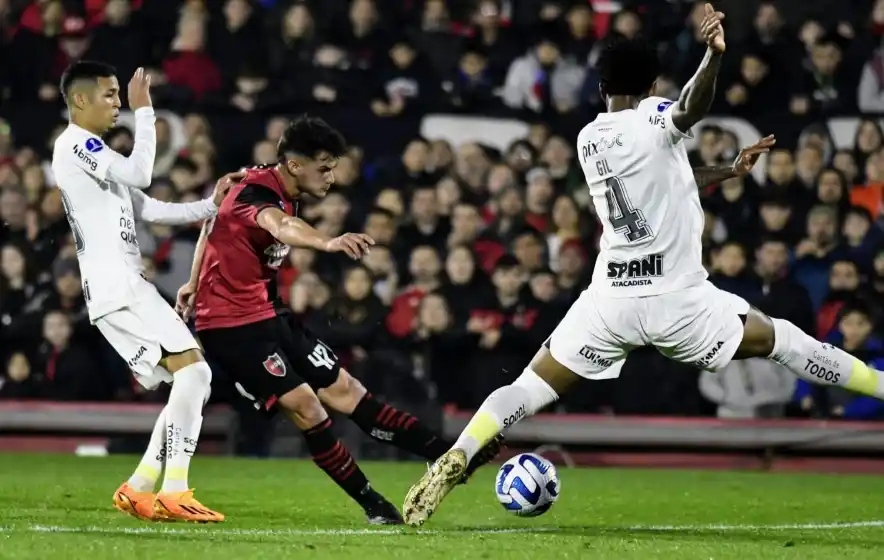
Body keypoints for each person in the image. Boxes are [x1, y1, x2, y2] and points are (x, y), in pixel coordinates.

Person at [402, 4, 884, 527]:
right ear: (652, 84)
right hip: (679, 301)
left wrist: (728, 168)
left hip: (610, 301)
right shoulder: (655, 116)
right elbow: (688, 111)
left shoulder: (590, 139)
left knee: (529, 387)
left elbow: (666, 177)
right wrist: (713, 58)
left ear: (601, 82)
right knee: (786, 342)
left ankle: (461, 451)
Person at [178, 115, 501, 525]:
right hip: (229, 325)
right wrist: (327, 241)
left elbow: (211, 224)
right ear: (295, 165)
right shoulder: (255, 193)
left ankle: (449, 455)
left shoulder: (272, 182)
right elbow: (280, 225)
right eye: (324, 166)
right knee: (310, 408)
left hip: (268, 312)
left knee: (348, 391)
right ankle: (373, 504)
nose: (332, 176)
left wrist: (190, 282)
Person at [52, 61, 234, 523]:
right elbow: (143, 174)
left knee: (187, 381)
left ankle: (138, 487)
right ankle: (174, 489)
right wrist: (147, 112)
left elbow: (149, 207)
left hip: (118, 287)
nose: (118, 105)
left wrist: (212, 205)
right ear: (80, 100)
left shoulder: (93, 157)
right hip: (120, 285)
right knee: (196, 375)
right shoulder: (77, 144)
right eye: (109, 95)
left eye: (120, 96)